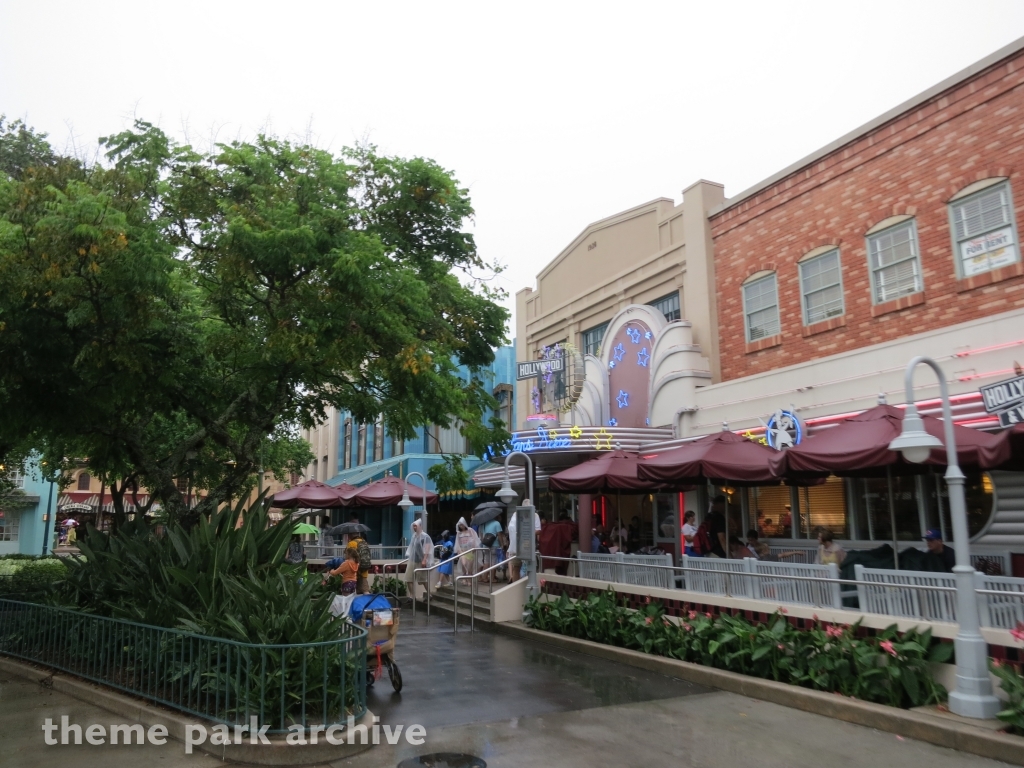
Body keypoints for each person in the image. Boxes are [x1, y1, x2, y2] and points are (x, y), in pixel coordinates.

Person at [506, 504, 541, 581]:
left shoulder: (535, 515)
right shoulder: (515, 515)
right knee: (516, 566)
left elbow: (538, 530)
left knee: (529, 567)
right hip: (516, 546)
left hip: (528, 546)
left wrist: (528, 534)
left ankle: (529, 585)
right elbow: (511, 530)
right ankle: (516, 586)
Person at [402, 519, 434, 588]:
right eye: (413, 526)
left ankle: (429, 595)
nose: (414, 528)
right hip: (413, 560)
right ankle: (412, 596)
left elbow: (427, 548)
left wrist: (424, 559)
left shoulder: (425, 537)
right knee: (409, 578)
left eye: (415, 526)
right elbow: (412, 547)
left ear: (420, 526)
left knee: (422, 580)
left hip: (421, 561)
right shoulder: (414, 536)